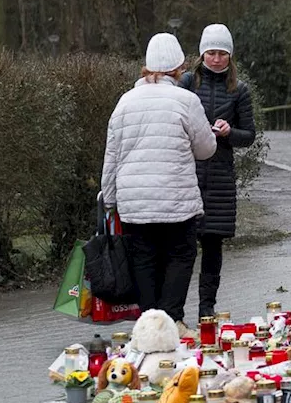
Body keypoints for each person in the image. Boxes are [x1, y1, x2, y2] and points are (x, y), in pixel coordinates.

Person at [102, 33, 216, 335]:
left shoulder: (125, 102)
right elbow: (206, 149)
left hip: (134, 202)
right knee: (180, 254)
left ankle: (149, 324)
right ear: (179, 66)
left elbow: (111, 156)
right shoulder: (186, 100)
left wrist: (110, 200)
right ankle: (173, 320)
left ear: (146, 66)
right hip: (176, 199)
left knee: (143, 258)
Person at [180, 23, 256, 321]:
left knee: (213, 245)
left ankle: (206, 309)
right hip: (188, 173)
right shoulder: (187, 83)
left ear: (230, 56)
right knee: (183, 246)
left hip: (221, 177)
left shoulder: (239, 90)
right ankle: (174, 310)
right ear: (201, 54)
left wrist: (228, 132)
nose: (216, 59)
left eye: (222, 53)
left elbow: (248, 135)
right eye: (211, 53)